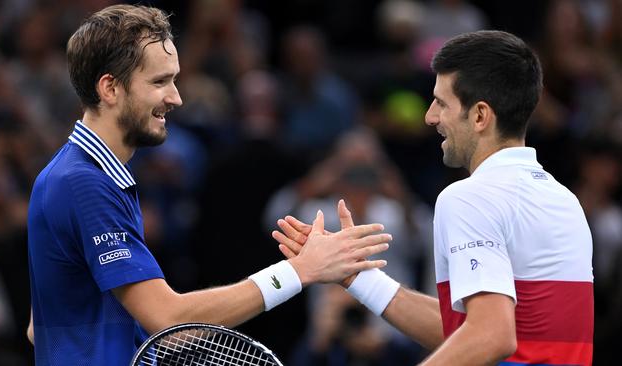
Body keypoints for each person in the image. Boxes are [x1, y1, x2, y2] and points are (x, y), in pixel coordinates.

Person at [25, 5, 393, 365]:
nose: (176, 97)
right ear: (110, 88)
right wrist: (299, 272)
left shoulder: (72, 174)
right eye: (159, 81)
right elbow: (166, 318)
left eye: (174, 79)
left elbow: (41, 325)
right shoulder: (84, 183)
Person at [274, 30, 594, 365]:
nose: (430, 116)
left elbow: (491, 337)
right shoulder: (564, 200)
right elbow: (478, 332)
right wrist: (355, 276)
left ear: (480, 116)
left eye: (441, 102)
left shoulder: (469, 198)